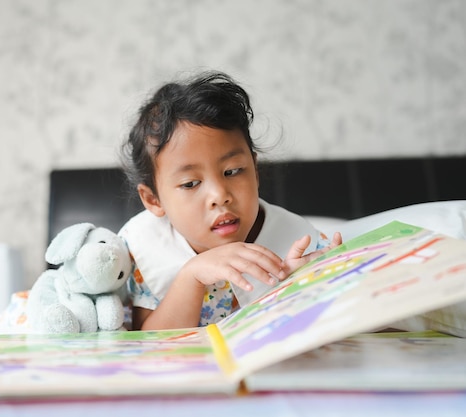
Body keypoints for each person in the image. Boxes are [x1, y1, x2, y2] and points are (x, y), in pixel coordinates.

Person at [118, 70, 342, 331]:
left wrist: (297, 287)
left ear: (254, 170)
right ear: (153, 200)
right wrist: (191, 277)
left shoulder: (296, 238)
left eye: (233, 171)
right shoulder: (146, 247)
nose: (219, 195)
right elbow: (150, 344)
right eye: (190, 183)